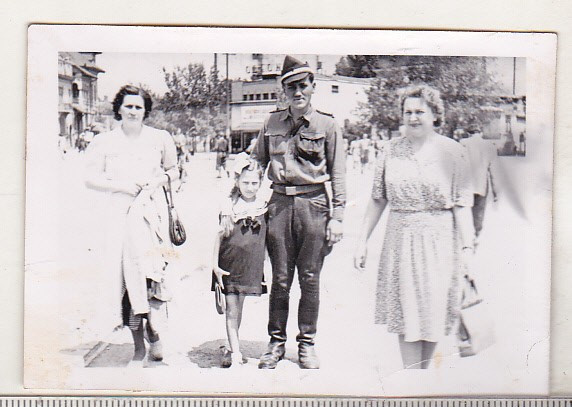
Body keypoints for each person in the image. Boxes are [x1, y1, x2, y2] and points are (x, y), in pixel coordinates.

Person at [353, 84, 474, 369]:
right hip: (400, 239)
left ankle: (423, 373)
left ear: (435, 115)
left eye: (420, 111)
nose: (413, 117)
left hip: (440, 240)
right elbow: (377, 199)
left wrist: (468, 248)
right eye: (408, 112)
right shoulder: (390, 151)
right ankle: (412, 377)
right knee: (406, 312)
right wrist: (362, 241)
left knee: (432, 311)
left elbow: (461, 203)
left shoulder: (453, 152)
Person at [250, 55, 346, 370]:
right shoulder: (271, 122)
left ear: (313, 87)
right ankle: (276, 344)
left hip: (315, 206)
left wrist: (339, 216)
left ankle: (306, 344)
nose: (298, 92)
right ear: (283, 90)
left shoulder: (328, 125)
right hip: (279, 205)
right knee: (279, 279)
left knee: (310, 279)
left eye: (303, 85)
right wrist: (241, 201)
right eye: (291, 87)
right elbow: (255, 164)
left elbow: (339, 173)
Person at [85, 85, 179, 366]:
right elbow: (89, 178)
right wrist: (121, 186)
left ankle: (153, 328)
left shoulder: (160, 138)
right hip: (117, 217)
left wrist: (157, 181)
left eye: (139, 107)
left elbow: (174, 170)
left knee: (150, 277)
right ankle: (138, 347)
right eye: (128, 106)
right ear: (119, 108)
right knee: (124, 282)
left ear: (146, 110)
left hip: (150, 216)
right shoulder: (104, 142)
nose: (133, 111)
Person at [211, 153, 268, 368]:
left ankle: (230, 344)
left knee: (239, 308)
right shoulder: (229, 206)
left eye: (255, 182)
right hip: (228, 265)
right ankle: (235, 353)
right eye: (245, 182)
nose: (250, 187)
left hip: (249, 266)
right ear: (237, 182)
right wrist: (215, 266)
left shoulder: (263, 205)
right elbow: (218, 237)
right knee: (231, 309)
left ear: (260, 183)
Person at [460, 122, 499, 246]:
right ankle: (476, 235)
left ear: (468, 133)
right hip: (481, 184)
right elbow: (493, 172)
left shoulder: (463, 144)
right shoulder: (489, 146)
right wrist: (495, 192)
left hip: (465, 184)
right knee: (479, 211)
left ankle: (467, 237)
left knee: (466, 211)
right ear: (480, 133)